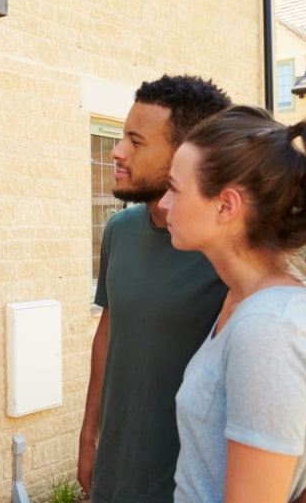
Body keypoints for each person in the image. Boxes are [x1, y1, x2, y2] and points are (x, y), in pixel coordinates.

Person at [159, 105, 306, 502]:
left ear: (226, 206)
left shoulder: (271, 330)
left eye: (175, 188)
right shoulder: (244, 302)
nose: (164, 204)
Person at [77, 74, 233, 501]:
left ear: (186, 155)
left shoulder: (226, 251)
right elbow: (108, 335)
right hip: (115, 472)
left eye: (136, 141)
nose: (118, 151)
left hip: (189, 481)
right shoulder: (118, 230)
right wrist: (89, 437)